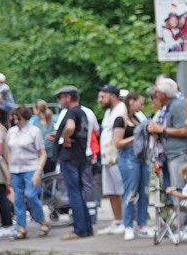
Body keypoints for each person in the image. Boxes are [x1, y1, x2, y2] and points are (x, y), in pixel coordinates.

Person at [147, 78, 187, 238]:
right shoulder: (170, 106)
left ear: (164, 94)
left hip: (179, 153)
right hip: (172, 153)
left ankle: (185, 227)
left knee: (179, 189)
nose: (155, 94)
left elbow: (184, 130)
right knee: (175, 189)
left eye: (157, 92)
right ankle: (182, 226)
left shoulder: (178, 105)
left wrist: (162, 129)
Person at [52, 86, 96, 239]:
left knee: (74, 193)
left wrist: (63, 138)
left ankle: (79, 229)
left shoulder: (71, 112)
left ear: (67, 97)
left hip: (69, 157)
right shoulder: (82, 112)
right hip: (80, 155)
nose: (59, 101)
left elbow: (70, 127)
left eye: (60, 97)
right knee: (79, 192)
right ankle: (87, 227)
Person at [112, 91, 151, 239]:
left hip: (141, 158)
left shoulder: (137, 118)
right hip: (128, 159)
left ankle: (142, 225)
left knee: (143, 192)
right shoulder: (120, 120)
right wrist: (135, 136)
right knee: (130, 192)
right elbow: (117, 143)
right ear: (132, 102)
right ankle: (128, 225)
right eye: (140, 103)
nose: (142, 106)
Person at [6, 101, 47, 238]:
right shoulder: (11, 132)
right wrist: (8, 171)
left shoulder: (34, 131)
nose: (16, 121)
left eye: (18, 118)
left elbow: (42, 153)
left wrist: (38, 171)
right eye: (14, 118)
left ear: (24, 117)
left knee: (31, 195)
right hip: (15, 170)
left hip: (30, 168)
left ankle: (42, 221)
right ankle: (21, 228)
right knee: (18, 199)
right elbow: (9, 152)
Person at [97, 84, 126, 234]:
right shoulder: (109, 112)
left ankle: (126, 222)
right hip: (106, 157)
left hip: (117, 157)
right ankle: (117, 220)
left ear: (113, 96)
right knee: (111, 191)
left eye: (103, 96)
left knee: (121, 190)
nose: (99, 100)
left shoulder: (122, 109)